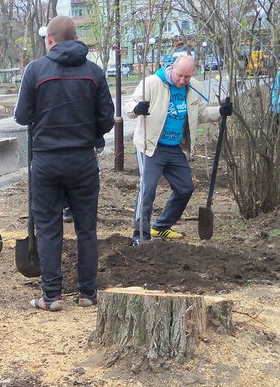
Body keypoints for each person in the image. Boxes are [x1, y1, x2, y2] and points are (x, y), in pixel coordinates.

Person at [14, 16, 114, 311]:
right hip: (83, 160)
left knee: (48, 228)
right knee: (86, 229)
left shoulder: (35, 71)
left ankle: (52, 296)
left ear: (50, 40)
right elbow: (106, 118)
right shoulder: (94, 73)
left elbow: (21, 116)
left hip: (46, 161)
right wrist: (90, 134)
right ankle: (87, 293)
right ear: (76, 38)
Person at [124, 53, 232, 244]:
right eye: (179, 75)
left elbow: (201, 113)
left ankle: (162, 226)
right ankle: (140, 235)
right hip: (151, 147)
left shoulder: (193, 88)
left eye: (187, 77)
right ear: (171, 68)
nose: (182, 80)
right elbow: (129, 106)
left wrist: (220, 112)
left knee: (185, 188)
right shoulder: (152, 83)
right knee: (147, 190)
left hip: (175, 148)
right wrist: (137, 108)